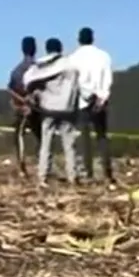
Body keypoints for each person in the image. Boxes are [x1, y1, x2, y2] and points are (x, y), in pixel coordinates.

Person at [24, 38, 81, 186]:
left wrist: (36, 94)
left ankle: (43, 177)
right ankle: (72, 177)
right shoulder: (70, 65)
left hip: (49, 110)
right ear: (61, 48)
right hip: (67, 109)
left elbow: (29, 80)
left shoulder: (42, 66)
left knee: (46, 145)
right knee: (69, 146)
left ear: (47, 49)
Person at [67, 27, 115, 184]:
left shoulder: (73, 59)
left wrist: (88, 95)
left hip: (82, 101)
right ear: (93, 38)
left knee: (84, 138)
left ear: (79, 39)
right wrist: (102, 97)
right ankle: (107, 173)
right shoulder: (104, 56)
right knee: (102, 136)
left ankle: (88, 173)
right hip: (101, 101)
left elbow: (75, 82)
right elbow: (108, 79)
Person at [7, 37, 40, 175]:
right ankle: (43, 166)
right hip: (39, 109)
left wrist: (20, 102)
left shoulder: (17, 70)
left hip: (22, 109)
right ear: (35, 48)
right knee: (42, 137)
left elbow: (9, 89)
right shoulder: (40, 68)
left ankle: (22, 168)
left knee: (19, 137)